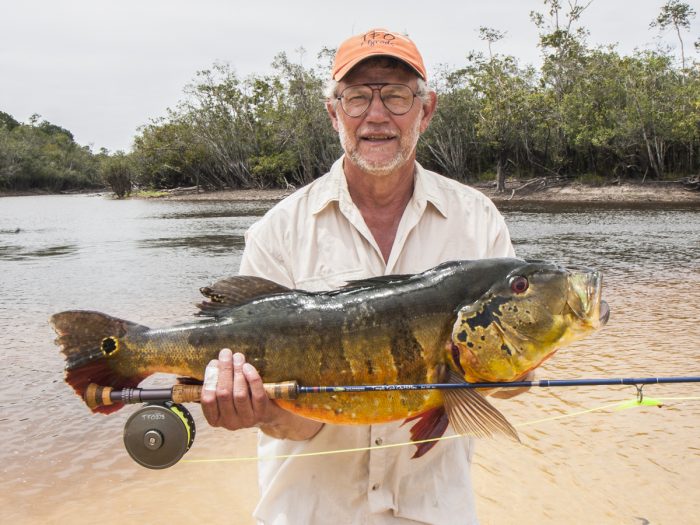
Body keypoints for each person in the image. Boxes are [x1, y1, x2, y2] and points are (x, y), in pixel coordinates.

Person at [201, 28, 515, 525]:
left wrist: (530, 350)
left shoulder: (479, 220)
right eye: (356, 97)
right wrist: (254, 408)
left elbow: (509, 382)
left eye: (395, 95)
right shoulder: (276, 231)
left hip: (435, 511)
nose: (376, 115)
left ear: (425, 110)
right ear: (333, 114)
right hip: (310, 513)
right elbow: (291, 425)